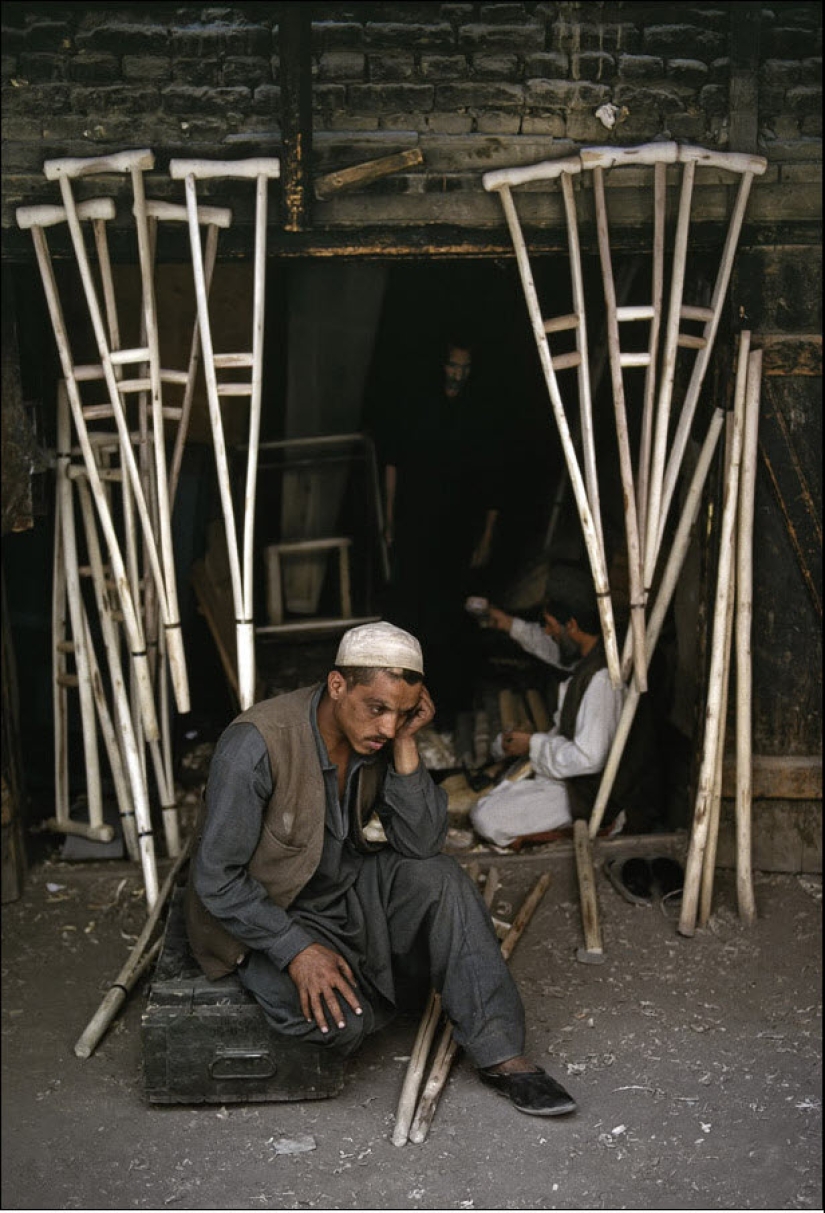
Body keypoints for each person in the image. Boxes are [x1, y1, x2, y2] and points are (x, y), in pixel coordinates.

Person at [185, 620, 577, 1118]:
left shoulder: (383, 738)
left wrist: (408, 743)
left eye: (404, 713)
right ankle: (376, 984)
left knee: (441, 877)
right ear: (337, 685)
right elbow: (217, 878)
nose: (388, 727)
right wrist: (295, 950)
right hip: (269, 913)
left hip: (341, 889)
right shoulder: (256, 744)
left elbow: (421, 844)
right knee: (343, 1024)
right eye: (377, 708)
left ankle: (502, 1054)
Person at [378, 336, 502, 726]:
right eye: (452, 366)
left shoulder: (478, 417)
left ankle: (445, 707)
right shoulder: (418, 408)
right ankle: (398, 701)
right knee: (408, 613)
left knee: (449, 619)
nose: (457, 375)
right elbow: (393, 464)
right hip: (415, 528)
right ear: (441, 365)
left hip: (456, 536)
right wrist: (389, 519)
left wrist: (486, 536)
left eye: (464, 369)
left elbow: (492, 484)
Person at [470, 577, 628, 848]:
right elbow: (549, 648)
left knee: (486, 818)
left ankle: (591, 830)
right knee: (493, 796)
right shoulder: (586, 658)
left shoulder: (601, 680)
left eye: (550, 625)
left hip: (587, 793)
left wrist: (533, 744)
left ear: (572, 626)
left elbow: (588, 759)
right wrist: (509, 624)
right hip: (569, 778)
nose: (546, 632)